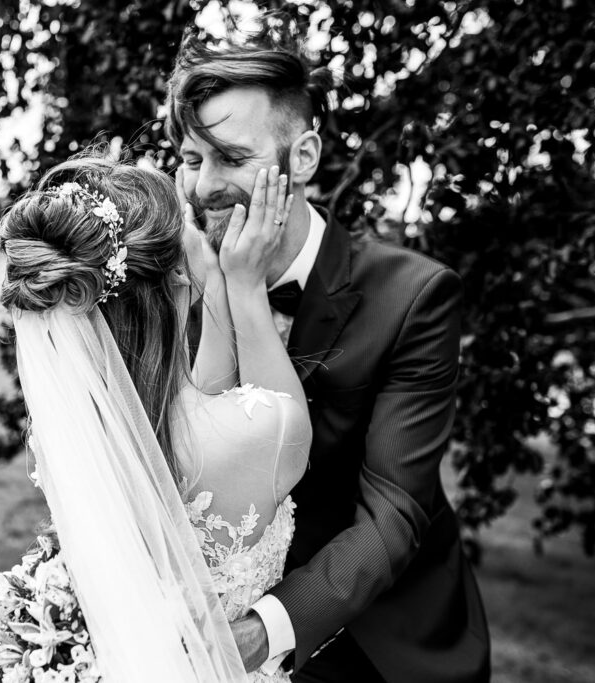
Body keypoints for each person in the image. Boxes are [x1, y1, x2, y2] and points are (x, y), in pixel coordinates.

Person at [165, 31, 491, 683]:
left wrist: (265, 629)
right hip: (224, 612)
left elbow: (397, 512)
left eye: (230, 156)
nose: (205, 187)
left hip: (379, 639)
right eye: (191, 159)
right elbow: (193, 455)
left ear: (304, 154)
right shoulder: (193, 275)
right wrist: (223, 293)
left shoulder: (414, 294)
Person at [0, 152, 312, 682]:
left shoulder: (85, 434)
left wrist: (208, 286)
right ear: (177, 283)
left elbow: (190, 394)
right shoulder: (263, 430)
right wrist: (245, 286)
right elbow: (275, 408)